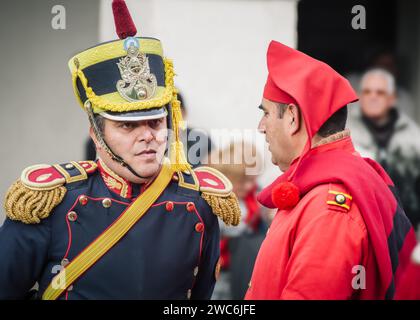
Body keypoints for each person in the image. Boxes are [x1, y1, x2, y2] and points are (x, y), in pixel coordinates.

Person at [0, 0, 240, 300]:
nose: (148, 136)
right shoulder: (49, 202)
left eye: (155, 122)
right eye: (127, 126)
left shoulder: (200, 202)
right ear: (96, 134)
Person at [245, 41, 417, 300]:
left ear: (292, 118)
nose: (261, 126)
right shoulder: (322, 188)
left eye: (266, 114)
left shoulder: (328, 209)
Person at [348, 68, 420, 230]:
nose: (373, 97)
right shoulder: (346, 131)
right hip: (359, 224)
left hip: (405, 227)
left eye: (380, 92)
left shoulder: (413, 135)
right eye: (367, 92)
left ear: (392, 99)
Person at [209, 141, 268, 300]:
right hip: (217, 271)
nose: (249, 186)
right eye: (243, 181)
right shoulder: (214, 200)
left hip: (243, 267)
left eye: (253, 180)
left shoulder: (254, 198)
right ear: (226, 177)